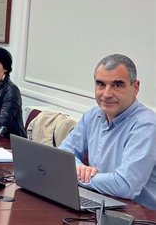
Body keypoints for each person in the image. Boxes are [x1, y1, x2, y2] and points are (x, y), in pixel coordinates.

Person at [59, 54, 156, 209]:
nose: (107, 94)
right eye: (101, 84)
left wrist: (78, 176)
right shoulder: (92, 115)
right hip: (102, 203)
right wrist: (79, 169)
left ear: (135, 87)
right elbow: (64, 154)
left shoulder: (146, 125)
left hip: (140, 217)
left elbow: (126, 186)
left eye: (117, 85)